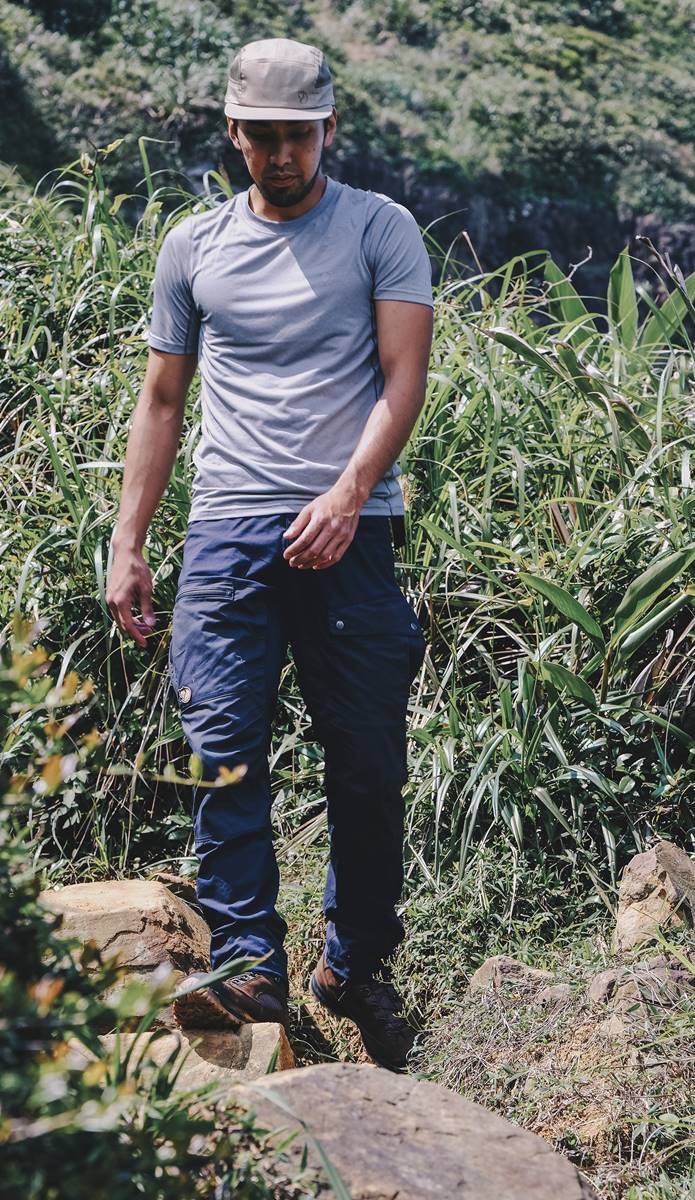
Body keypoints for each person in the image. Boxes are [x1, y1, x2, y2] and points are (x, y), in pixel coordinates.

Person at [105, 37, 434, 1072]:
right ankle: (250, 961)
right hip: (226, 533)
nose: (283, 155)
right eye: (264, 137)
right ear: (234, 132)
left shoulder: (379, 230)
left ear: (328, 129)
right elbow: (162, 400)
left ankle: (354, 965)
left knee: (367, 760)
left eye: (300, 136)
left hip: (351, 531)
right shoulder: (194, 246)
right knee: (221, 751)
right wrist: (128, 542)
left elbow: (404, 377)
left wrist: (348, 492)